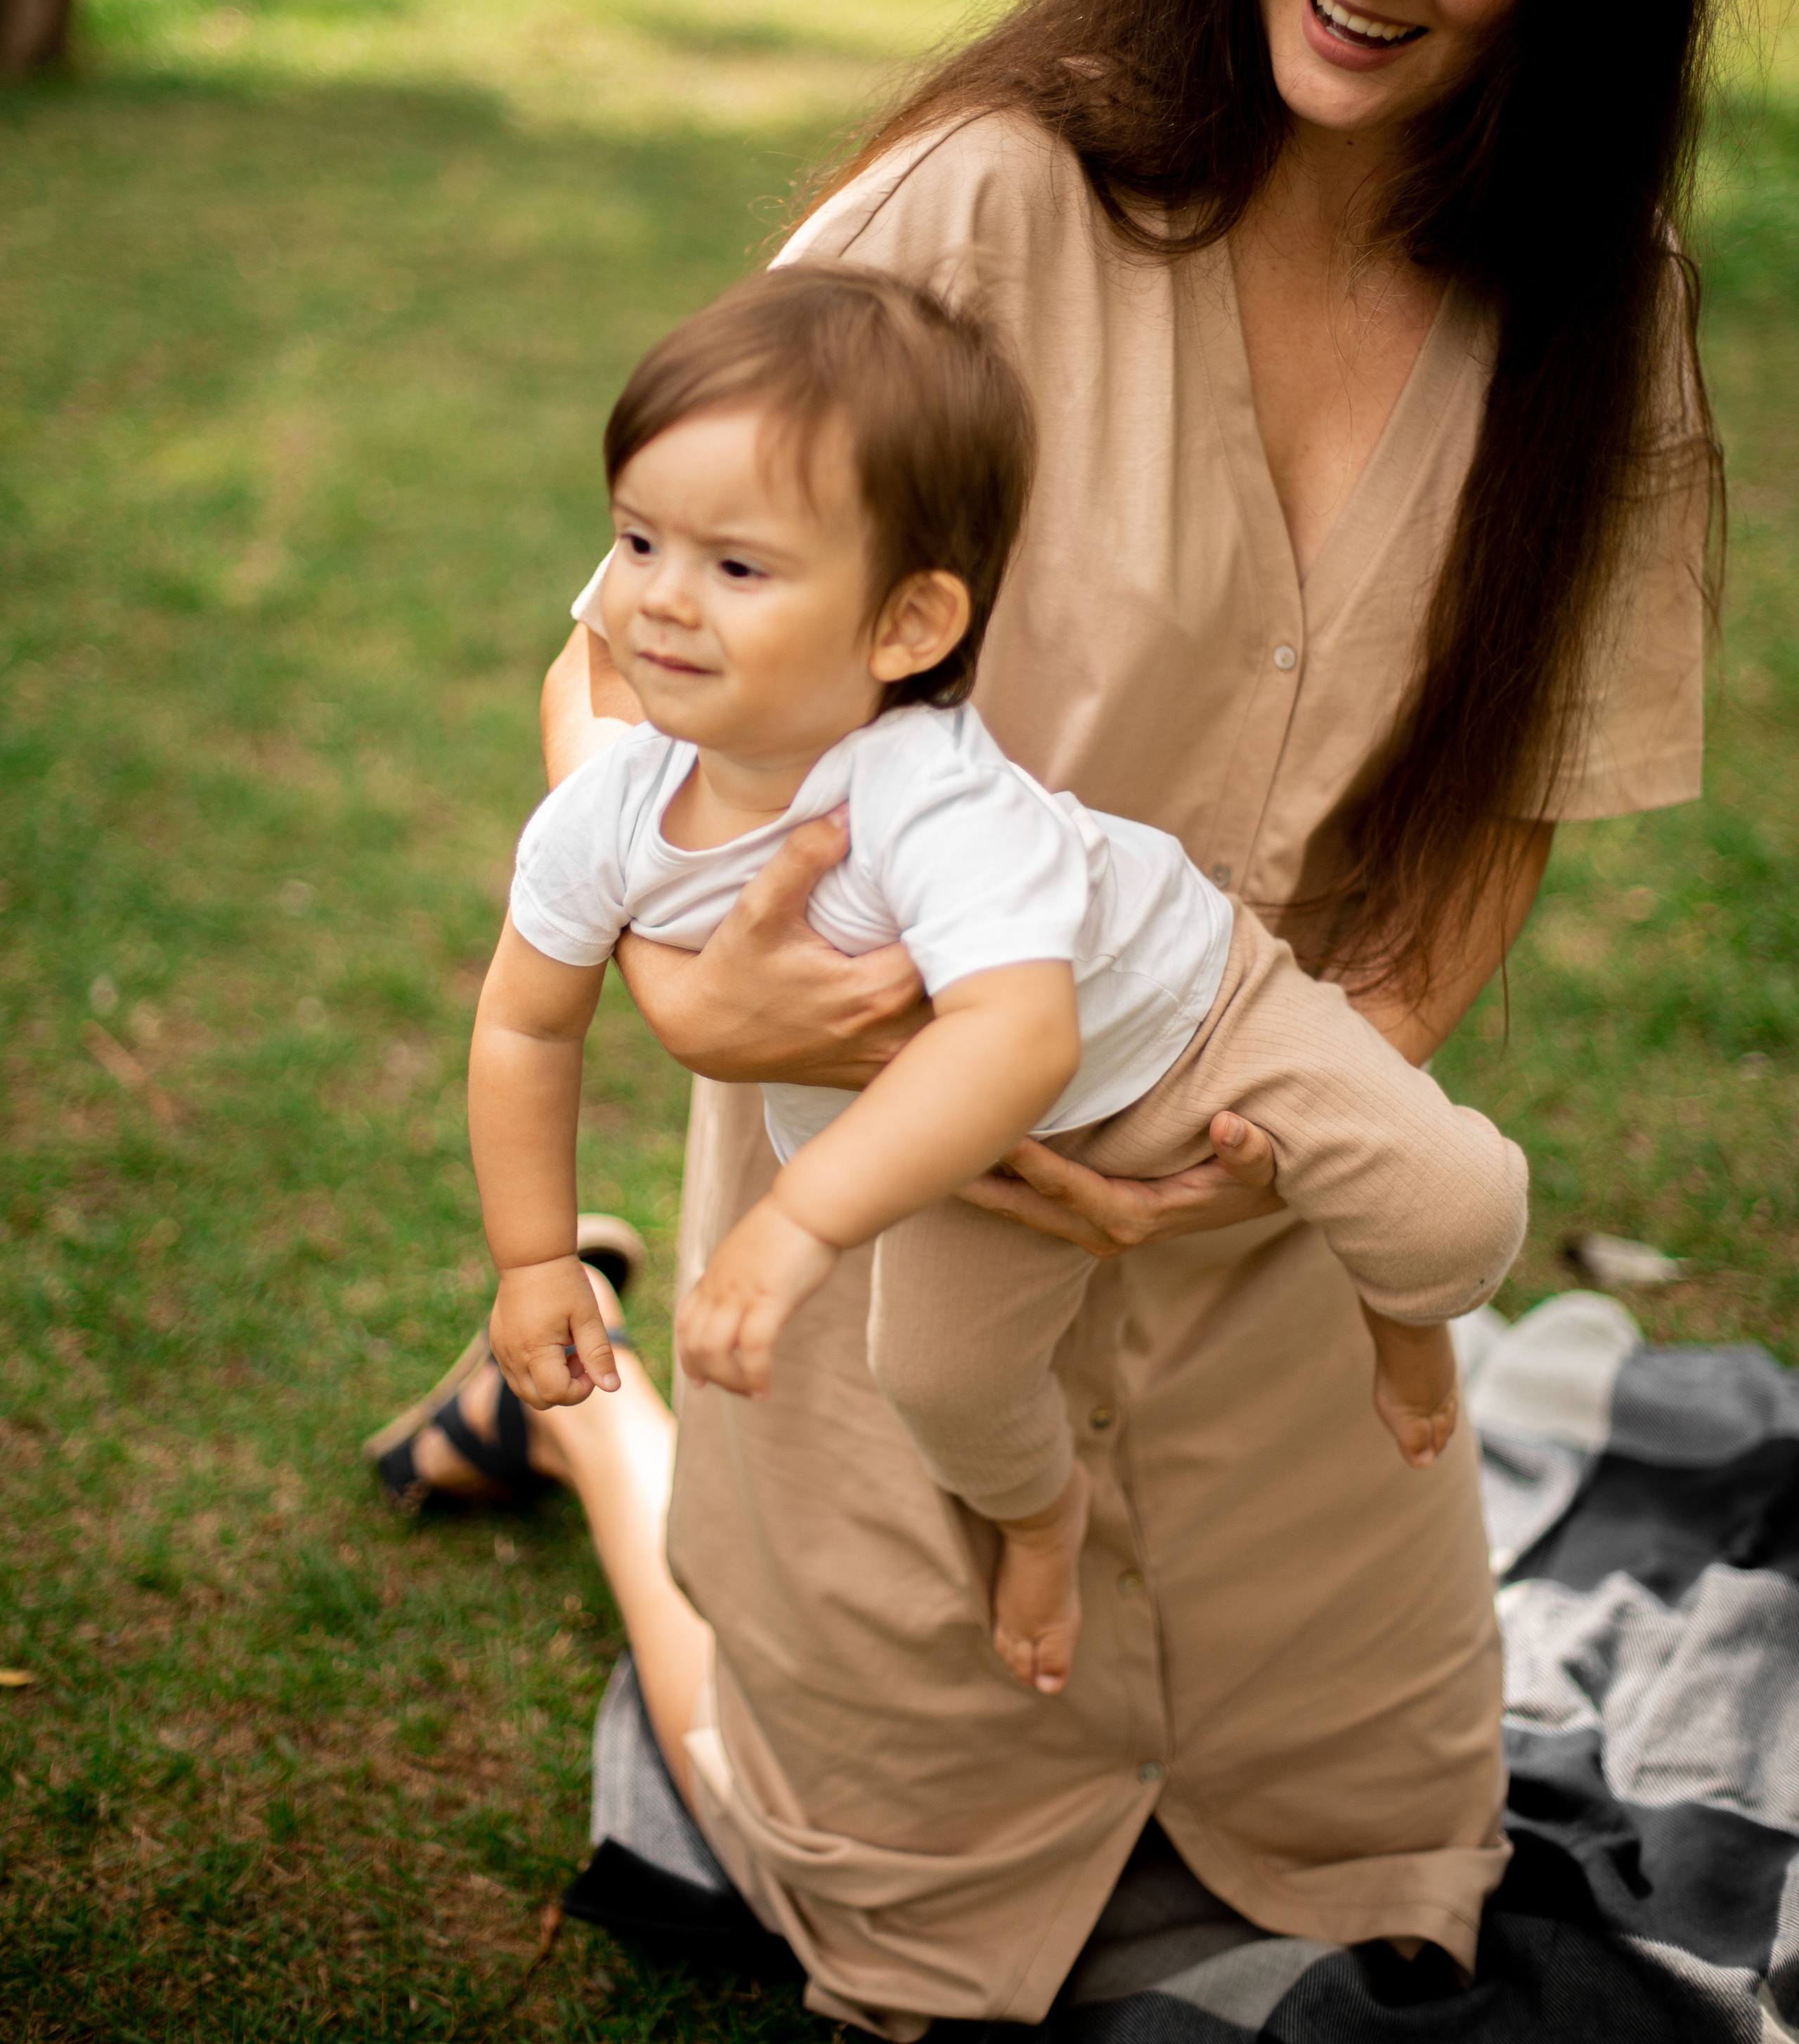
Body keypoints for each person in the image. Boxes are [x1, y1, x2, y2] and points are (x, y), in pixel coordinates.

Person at [375, 0, 1724, 2033]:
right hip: (895, 1218)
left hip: (1263, 1189)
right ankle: (593, 1429)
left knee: (1387, 1863)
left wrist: (1307, 1120)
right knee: (883, 1921)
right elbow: (624, 664)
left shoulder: (1595, 318)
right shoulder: (1000, 202)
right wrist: (741, 998)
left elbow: (1497, 809)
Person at [469, 267, 1528, 1701]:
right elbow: (527, 1023)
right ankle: (1041, 1523)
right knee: (944, 1388)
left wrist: (795, 1227)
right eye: (638, 538)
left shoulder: (921, 794)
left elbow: (1016, 1037)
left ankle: (1405, 1326)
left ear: (905, 627)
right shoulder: (607, 811)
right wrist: (532, 1258)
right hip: (983, 1153)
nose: (655, 599)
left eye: (735, 568)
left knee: (1455, 1202)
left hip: (1191, 1018)